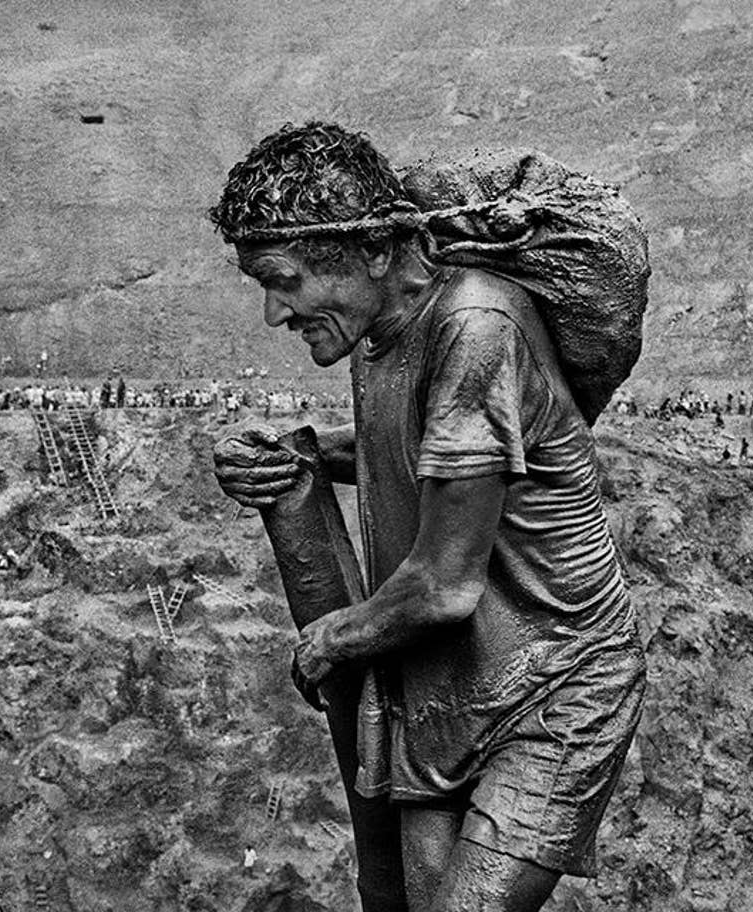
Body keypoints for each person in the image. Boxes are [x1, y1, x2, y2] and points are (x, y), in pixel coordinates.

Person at [208, 122, 644, 912]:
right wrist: (298, 455)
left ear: (373, 251)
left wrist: (329, 641)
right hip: (445, 689)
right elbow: (411, 445)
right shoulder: (380, 334)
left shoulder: (476, 326)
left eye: (283, 281)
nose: (274, 313)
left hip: (554, 690)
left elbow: (444, 584)